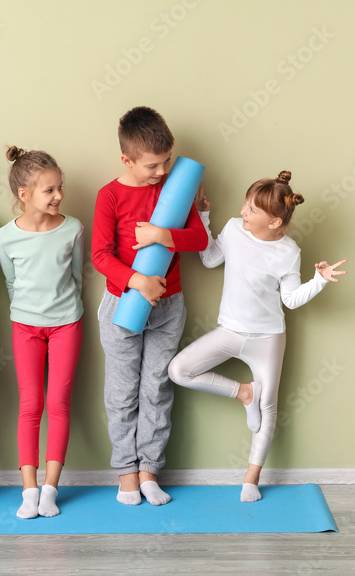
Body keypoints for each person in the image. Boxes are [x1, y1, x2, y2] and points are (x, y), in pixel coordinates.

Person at [169, 171, 347, 502]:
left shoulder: (288, 252)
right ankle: (243, 393)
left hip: (267, 338)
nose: (242, 212)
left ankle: (251, 479)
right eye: (246, 204)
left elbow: (290, 299)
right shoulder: (235, 230)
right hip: (230, 330)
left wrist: (319, 279)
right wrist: (204, 216)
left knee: (269, 407)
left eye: (252, 210)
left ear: (276, 222)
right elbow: (209, 259)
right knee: (178, 370)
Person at [92, 106, 208, 506]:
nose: (162, 171)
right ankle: (126, 472)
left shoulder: (175, 191)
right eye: (153, 165)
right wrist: (138, 280)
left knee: (157, 388)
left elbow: (199, 240)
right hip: (124, 304)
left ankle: (149, 471)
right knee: (123, 394)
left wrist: (162, 234)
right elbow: (100, 256)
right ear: (127, 160)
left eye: (167, 161)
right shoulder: (109, 196)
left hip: (168, 307)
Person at [0, 147, 84, 519]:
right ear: (24, 194)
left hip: (67, 324)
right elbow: (11, 284)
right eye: (49, 190)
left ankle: (50, 489)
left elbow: (78, 279)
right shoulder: (4, 237)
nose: (58, 196)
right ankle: (28, 490)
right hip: (25, 327)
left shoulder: (74, 229)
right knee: (30, 405)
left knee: (58, 404)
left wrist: (62, 313)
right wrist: (29, 315)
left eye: (59, 187)